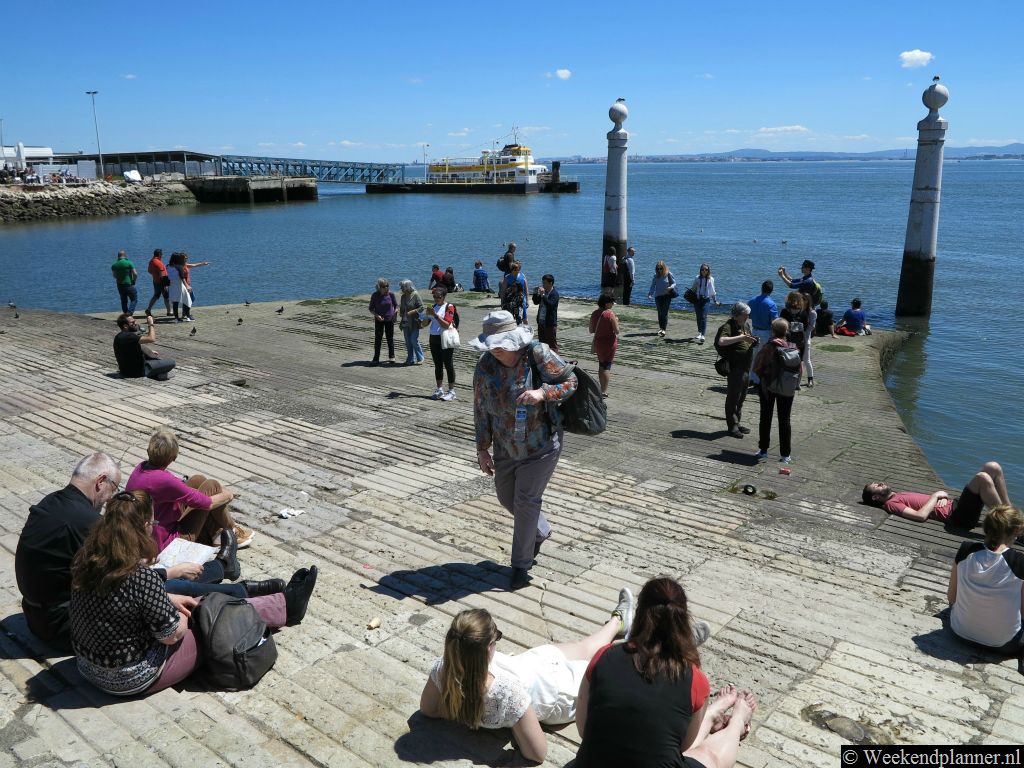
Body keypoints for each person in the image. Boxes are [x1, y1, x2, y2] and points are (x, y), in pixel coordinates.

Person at [69, 490, 318, 696]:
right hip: (131, 677)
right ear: (144, 527)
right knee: (213, 614)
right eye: (152, 524)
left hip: (89, 667)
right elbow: (171, 635)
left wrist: (166, 599)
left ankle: (278, 602)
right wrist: (186, 614)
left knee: (198, 602)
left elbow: (118, 601)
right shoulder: (140, 577)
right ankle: (286, 606)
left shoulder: (86, 561)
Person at [14, 454, 266, 650]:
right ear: (100, 481)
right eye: (113, 488)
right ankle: (239, 587)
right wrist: (168, 574)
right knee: (165, 589)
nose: (111, 498)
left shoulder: (52, 502)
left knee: (162, 582)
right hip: (66, 626)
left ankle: (224, 571)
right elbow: (131, 583)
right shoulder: (88, 524)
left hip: (38, 617)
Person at [419, 594, 635, 764]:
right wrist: (514, 720)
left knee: (583, 647)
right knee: (602, 661)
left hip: (527, 666)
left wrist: (463, 706)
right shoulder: (506, 692)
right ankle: (637, 642)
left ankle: (618, 622)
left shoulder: (444, 668)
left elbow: (428, 709)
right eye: (496, 639)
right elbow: (537, 754)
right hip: (556, 694)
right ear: (487, 651)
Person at [575, 576, 758, 768]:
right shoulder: (695, 679)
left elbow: (582, 728)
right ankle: (737, 721)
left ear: (639, 615)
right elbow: (683, 746)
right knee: (709, 756)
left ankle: (713, 713)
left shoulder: (603, 656)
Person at [471, 310, 578, 589]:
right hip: (505, 448)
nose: (494, 350)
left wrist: (543, 393)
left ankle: (520, 566)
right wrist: (483, 449)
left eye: (499, 345)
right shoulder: (485, 366)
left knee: (526, 501)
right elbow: (481, 409)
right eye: (490, 345)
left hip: (541, 445)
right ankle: (539, 531)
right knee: (507, 498)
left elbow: (571, 382)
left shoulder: (537, 354)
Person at [126, 426, 255, 548]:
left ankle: (217, 535)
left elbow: (180, 488)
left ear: (148, 451)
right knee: (212, 486)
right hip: (168, 542)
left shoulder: (141, 468)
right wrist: (228, 495)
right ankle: (232, 530)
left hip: (150, 529)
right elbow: (208, 503)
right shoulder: (164, 480)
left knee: (197, 480)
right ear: (174, 458)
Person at [947, 505, 1024, 668]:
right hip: (1005, 644)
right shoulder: (1019, 562)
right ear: (1016, 531)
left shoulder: (965, 550)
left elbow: (952, 598)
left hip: (960, 632)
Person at [862, 461, 1011, 530]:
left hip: (956, 505)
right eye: (877, 486)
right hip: (957, 517)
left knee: (993, 467)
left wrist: (942, 496)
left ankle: (1012, 517)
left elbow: (933, 500)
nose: (881, 483)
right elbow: (920, 516)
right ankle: (1011, 525)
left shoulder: (898, 495)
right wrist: (936, 496)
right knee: (982, 478)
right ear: (875, 497)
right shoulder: (891, 504)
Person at [752, 318, 801, 464]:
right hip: (787, 387)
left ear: (773, 331)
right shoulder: (793, 346)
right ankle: (785, 455)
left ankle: (764, 450)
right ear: (786, 331)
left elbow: (757, 366)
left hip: (769, 386)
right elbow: (800, 368)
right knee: (785, 420)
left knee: (765, 418)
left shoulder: (769, 347)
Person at [714, 302, 758, 439]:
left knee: (742, 396)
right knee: (733, 396)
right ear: (737, 315)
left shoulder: (745, 325)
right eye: (745, 315)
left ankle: (737, 422)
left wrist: (753, 341)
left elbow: (746, 339)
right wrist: (742, 337)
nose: (748, 317)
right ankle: (732, 426)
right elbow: (721, 341)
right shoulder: (728, 326)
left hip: (746, 367)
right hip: (735, 367)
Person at [417, 285, 457, 400]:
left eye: (438, 297)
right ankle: (439, 389)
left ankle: (451, 391)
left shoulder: (449, 307)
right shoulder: (433, 306)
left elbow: (446, 324)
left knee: (448, 364)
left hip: (445, 338)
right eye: (434, 297)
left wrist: (435, 315)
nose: (436, 299)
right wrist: (421, 318)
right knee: (437, 365)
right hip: (433, 338)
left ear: (444, 296)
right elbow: (425, 324)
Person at [113, 313, 176, 380]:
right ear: (125, 326)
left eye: (135, 321)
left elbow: (139, 346)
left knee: (154, 359)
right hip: (138, 372)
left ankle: (155, 371)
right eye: (132, 322)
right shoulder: (130, 336)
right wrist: (150, 324)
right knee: (172, 362)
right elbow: (151, 339)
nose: (135, 324)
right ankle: (154, 374)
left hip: (125, 371)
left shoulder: (118, 336)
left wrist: (150, 352)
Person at [747, 280, 779, 386]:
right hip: (766, 332)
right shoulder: (771, 304)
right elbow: (774, 322)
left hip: (754, 330)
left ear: (762, 288)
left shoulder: (752, 301)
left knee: (754, 355)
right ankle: (759, 380)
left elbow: (749, 315)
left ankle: (751, 377)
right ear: (771, 290)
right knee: (764, 357)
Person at [590, 294, 620, 398]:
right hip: (609, 343)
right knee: (607, 366)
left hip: (598, 343)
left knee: (601, 365)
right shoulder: (610, 314)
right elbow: (617, 331)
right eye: (612, 303)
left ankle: (601, 388)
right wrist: (617, 321)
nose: (613, 305)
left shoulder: (594, 313)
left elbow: (591, 330)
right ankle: (604, 391)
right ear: (607, 303)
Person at [779, 291, 810, 388]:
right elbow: (805, 328)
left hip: (787, 341)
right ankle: (797, 384)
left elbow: (781, 325)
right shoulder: (803, 312)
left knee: (785, 361)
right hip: (800, 343)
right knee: (799, 362)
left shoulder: (785, 311)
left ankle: (785, 380)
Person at [368, 277, 398, 365]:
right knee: (378, 339)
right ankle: (376, 358)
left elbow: (396, 306)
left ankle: (392, 357)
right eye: (384, 286)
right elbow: (371, 308)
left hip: (389, 319)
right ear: (379, 287)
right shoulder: (375, 295)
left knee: (390, 338)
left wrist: (395, 313)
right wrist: (377, 315)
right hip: (379, 320)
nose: (386, 288)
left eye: (387, 286)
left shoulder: (391, 294)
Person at [689, 262, 720, 344]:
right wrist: (689, 295)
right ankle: (700, 332)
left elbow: (713, 291)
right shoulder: (697, 278)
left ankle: (703, 335)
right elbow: (694, 288)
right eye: (702, 269)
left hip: (706, 300)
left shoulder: (711, 279)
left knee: (703, 317)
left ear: (708, 270)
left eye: (706, 270)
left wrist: (715, 301)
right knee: (698, 316)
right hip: (697, 300)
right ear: (700, 270)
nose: (704, 271)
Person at [648, 260, 677, 338]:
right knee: (660, 312)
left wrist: (671, 287)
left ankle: (664, 329)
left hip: (667, 296)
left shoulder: (668, 274)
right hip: (658, 296)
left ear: (664, 268)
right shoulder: (656, 275)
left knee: (664, 312)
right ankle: (661, 328)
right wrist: (650, 294)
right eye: (658, 269)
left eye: (661, 268)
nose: (659, 270)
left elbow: (674, 283)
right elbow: (653, 285)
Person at [399, 279, 425, 365]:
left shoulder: (415, 295)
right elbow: (401, 307)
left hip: (414, 321)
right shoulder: (403, 297)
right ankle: (410, 359)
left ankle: (420, 357)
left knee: (413, 340)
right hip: (405, 321)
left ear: (407, 287)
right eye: (401, 287)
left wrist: (412, 312)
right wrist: (401, 312)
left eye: (403, 287)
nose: (401, 288)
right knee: (407, 341)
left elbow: (422, 307)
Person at [532, 273, 560, 351]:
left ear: (550, 283)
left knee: (552, 345)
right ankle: (544, 361)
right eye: (542, 282)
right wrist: (535, 293)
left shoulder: (554, 294)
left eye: (544, 283)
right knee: (542, 344)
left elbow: (551, 305)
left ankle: (555, 361)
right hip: (541, 322)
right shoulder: (543, 292)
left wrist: (543, 295)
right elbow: (536, 302)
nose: (543, 285)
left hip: (550, 323)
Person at [144, 248, 171, 317]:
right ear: (159, 254)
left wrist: (155, 275)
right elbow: (162, 274)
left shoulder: (151, 261)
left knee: (156, 295)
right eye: (161, 254)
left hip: (155, 281)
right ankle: (169, 312)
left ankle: (148, 309)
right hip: (162, 282)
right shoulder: (158, 262)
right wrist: (165, 285)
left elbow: (149, 271)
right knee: (166, 297)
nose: (162, 255)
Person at [500, 261, 528, 325]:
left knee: (524, 317)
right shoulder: (507, 277)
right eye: (516, 270)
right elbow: (503, 291)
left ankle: (527, 330)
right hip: (511, 299)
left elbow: (526, 289)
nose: (517, 271)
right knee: (511, 316)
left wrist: (527, 300)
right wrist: (502, 301)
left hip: (521, 298)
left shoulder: (522, 276)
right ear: (512, 270)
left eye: (518, 269)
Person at [111, 250, 138, 316]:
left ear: (118, 256)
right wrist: (133, 281)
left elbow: (114, 276)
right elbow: (135, 274)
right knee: (134, 299)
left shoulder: (114, 265)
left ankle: (126, 314)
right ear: (125, 255)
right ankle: (130, 312)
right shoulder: (129, 263)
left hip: (119, 285)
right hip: (128, 284)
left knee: (123, 300)